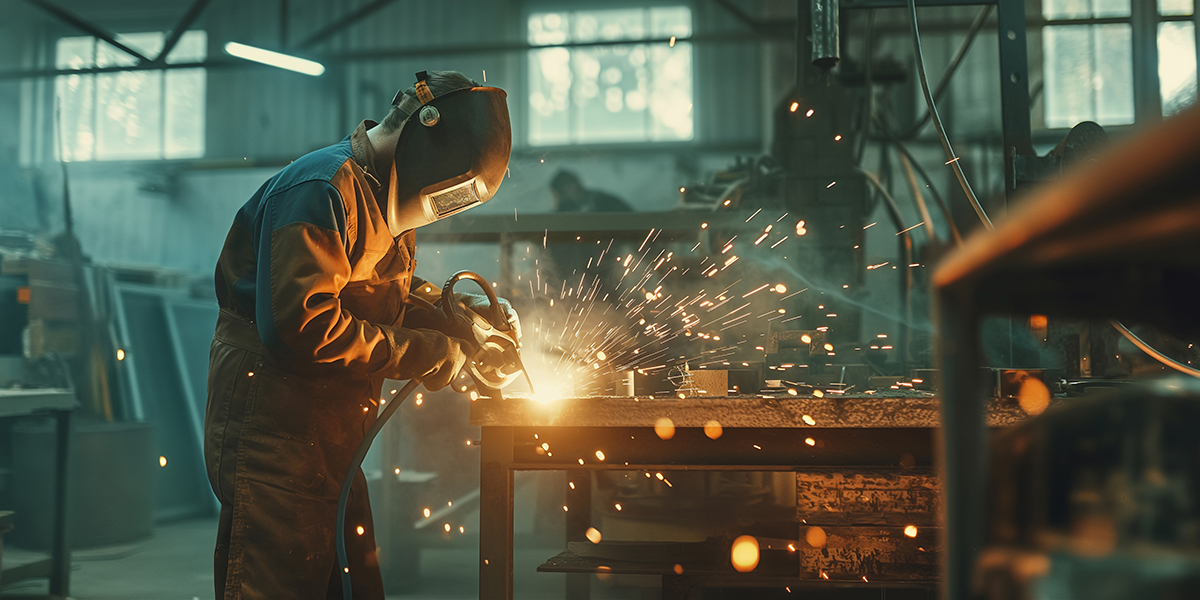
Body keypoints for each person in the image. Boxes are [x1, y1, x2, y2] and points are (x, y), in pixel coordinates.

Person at [205, 71, 512, 600]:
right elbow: (304, 327)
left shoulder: (376, 194)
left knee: (351, 578)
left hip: (326, 430)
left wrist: (460, 316)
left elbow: (377, 292)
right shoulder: (321, 189)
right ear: (424, 133)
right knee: (278, 584)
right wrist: (430, 353)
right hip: (273, 426)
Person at [550, 169, 633, 212]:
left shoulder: (603, 201)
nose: (574, 186)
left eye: (573, 182)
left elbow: (630, 218)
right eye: (567, 185)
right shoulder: (562, 215)